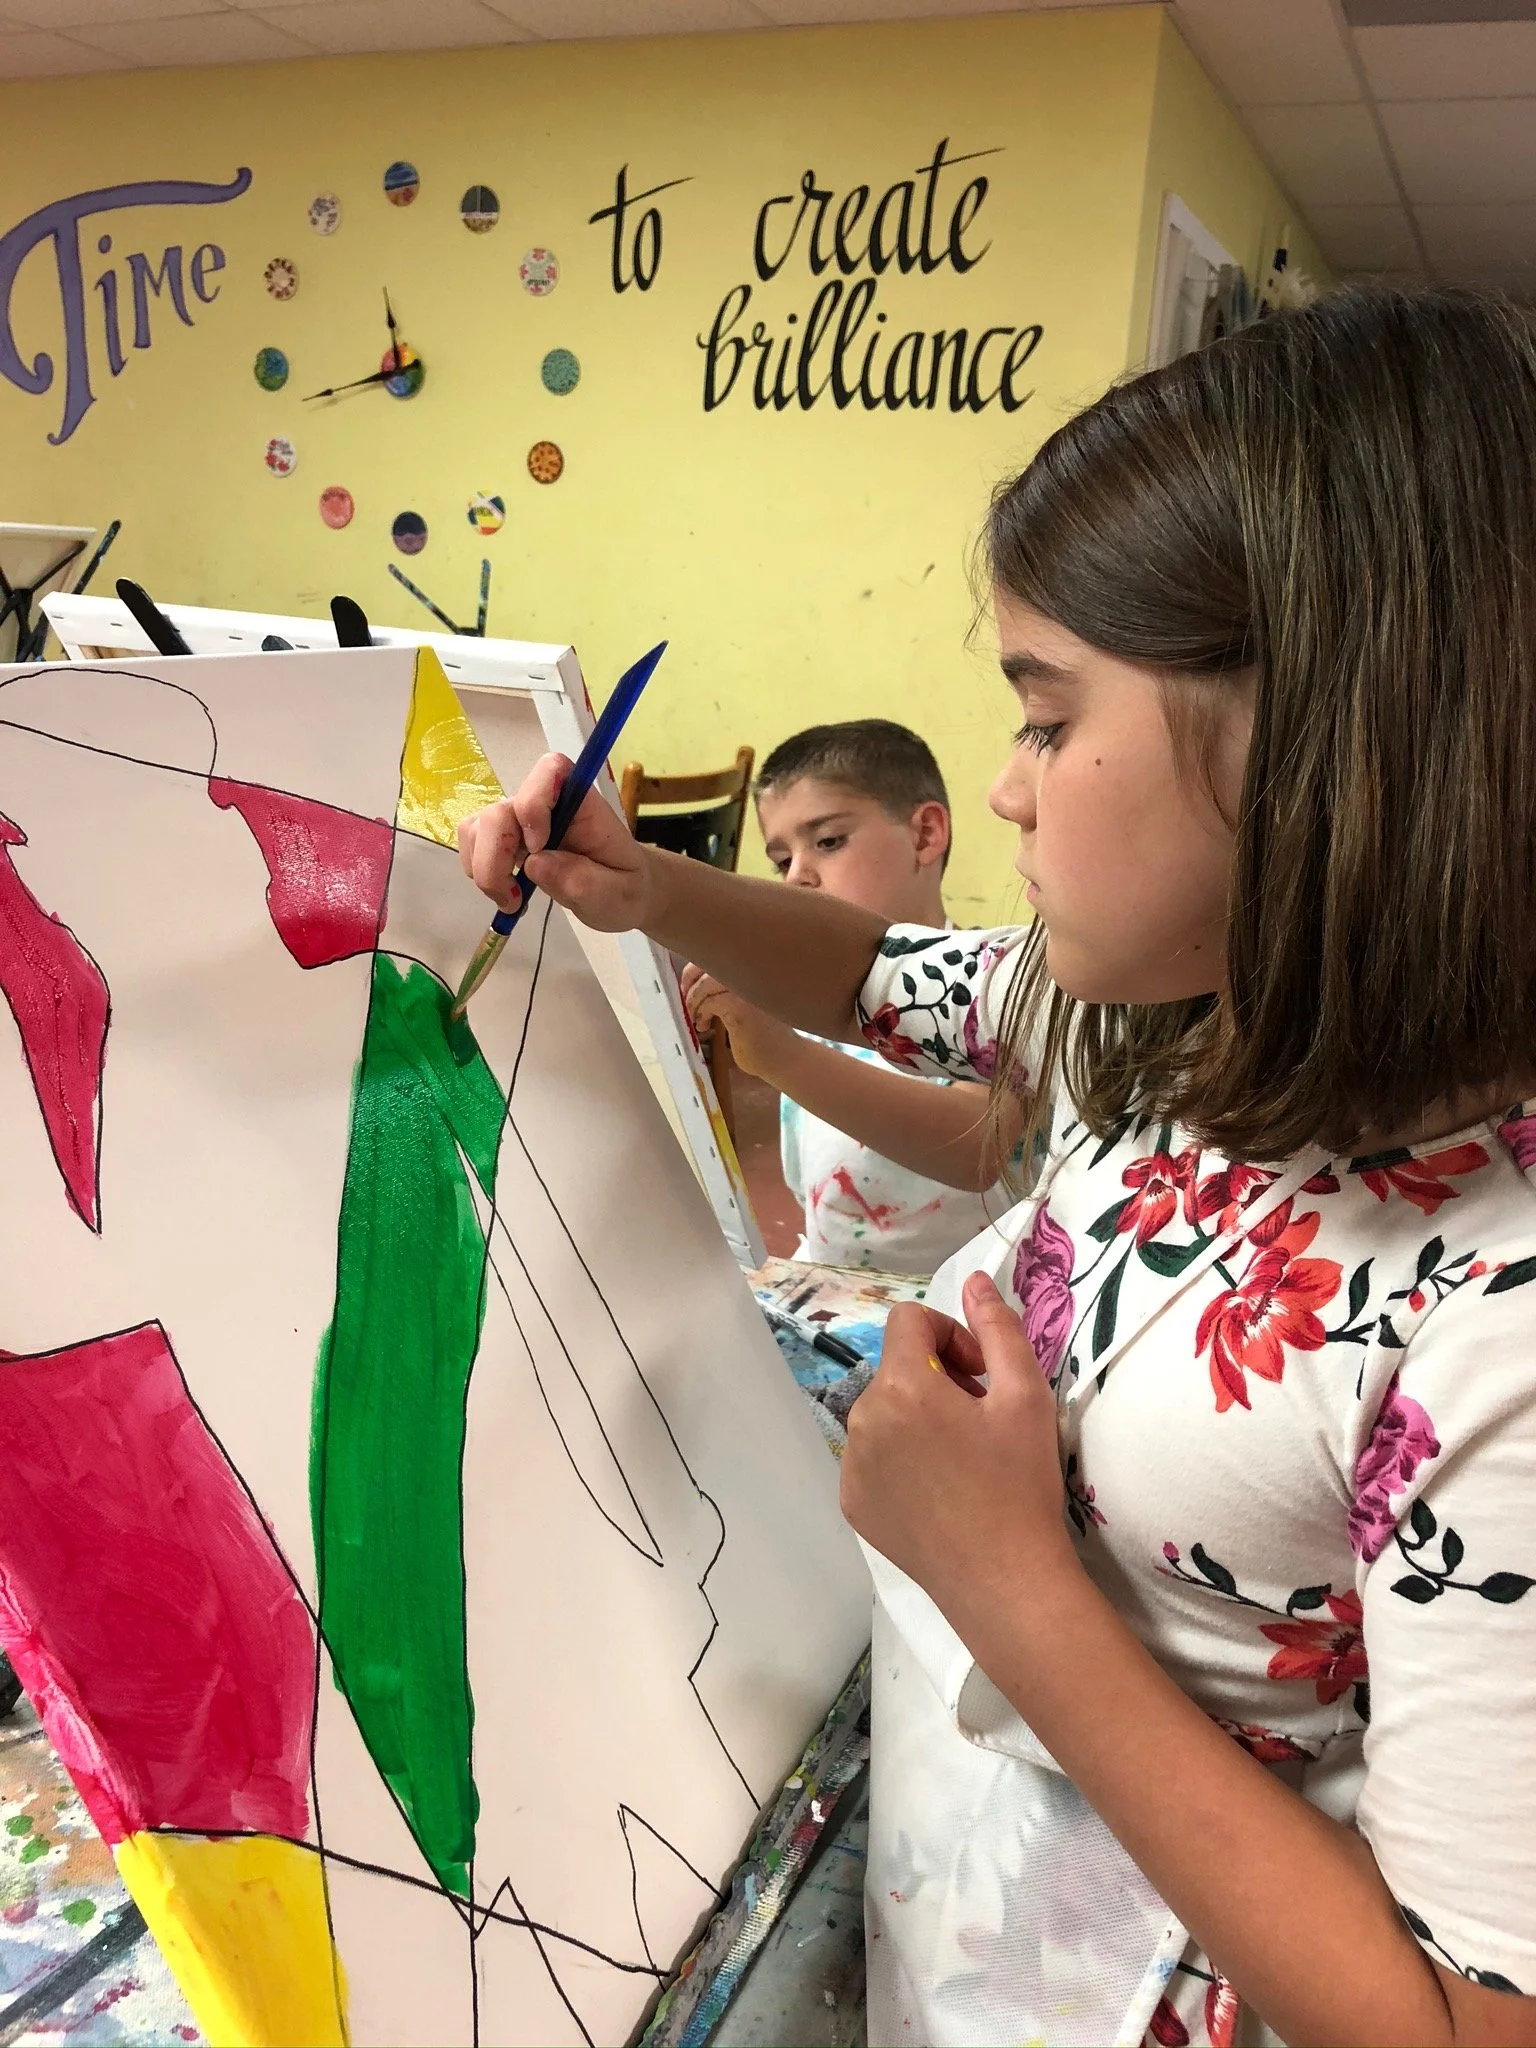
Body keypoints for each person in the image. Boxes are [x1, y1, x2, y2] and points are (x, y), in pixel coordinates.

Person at [460, 285, 1536, 2047]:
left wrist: (1008, 1581)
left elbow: (1460, 2020)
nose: (1009, 788)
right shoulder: (1182, 1014)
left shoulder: (1493, 1318)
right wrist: (645, 886)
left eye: (1045, 716)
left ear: (1330, 738)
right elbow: (886, 978)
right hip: (976, 1890)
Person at [686, 718, 1012, 1276]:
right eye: (782, 860)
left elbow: (977, 1147)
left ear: (925, 835)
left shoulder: (989, 986)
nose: (797, 879)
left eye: (828, 841)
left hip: (960, 1309)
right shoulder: (803, 999)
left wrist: (784, 1057)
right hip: (832, 1294)